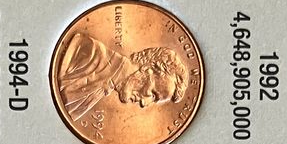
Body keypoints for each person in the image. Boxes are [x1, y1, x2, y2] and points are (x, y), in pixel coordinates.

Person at [56, 33, 188, 120]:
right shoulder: (88, 51)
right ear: (148, 69)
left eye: (153, 100)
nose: (144, 103)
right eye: (153, 94)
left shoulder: (104, 88)